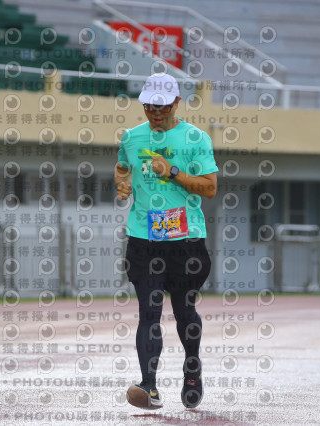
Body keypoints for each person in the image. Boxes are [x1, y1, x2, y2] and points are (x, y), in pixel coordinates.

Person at [116, 73, 218, 410]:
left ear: (176, 103)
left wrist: (172, 172)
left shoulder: (195, 138)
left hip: (185, 240)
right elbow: (122, 167)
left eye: (162, 106)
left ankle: (192, 369)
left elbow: (210, 187)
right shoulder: (131, 137)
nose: (155, 112)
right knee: (149, 312)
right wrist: (122, 183)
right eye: (149, 106)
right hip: (143, 239)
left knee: (184, 310)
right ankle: (149, 386)